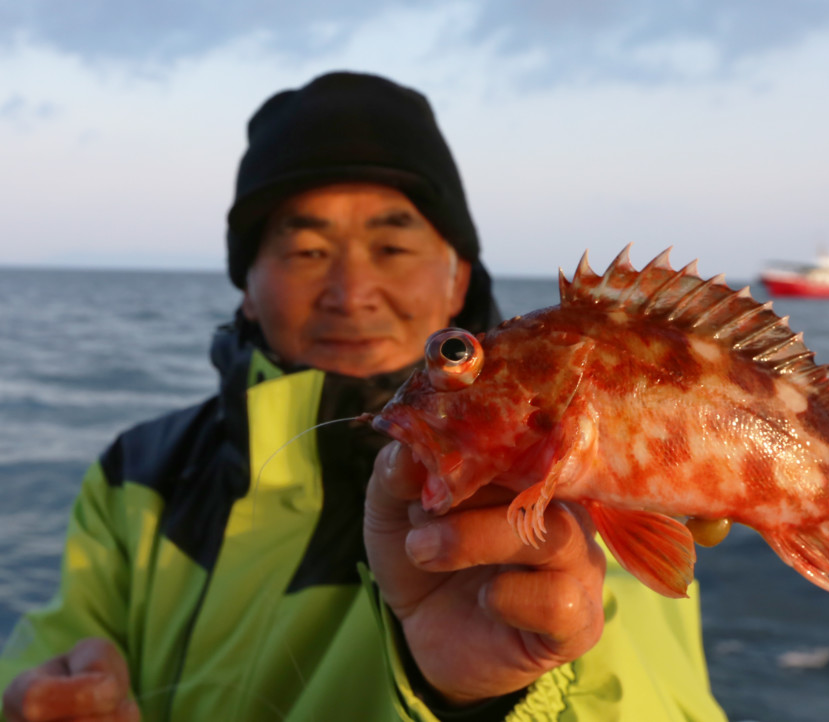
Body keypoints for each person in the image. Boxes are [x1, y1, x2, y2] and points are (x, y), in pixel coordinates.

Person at [0, 72, 726, 721]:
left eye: (394, 246)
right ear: (246, 289)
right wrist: (39, 696)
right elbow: (57, 641)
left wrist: (487, 698)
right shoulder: (138, 471)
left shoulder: (576, 471)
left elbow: (656, 697)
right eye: (306, 250)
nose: (351, 293)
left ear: (457, 278)